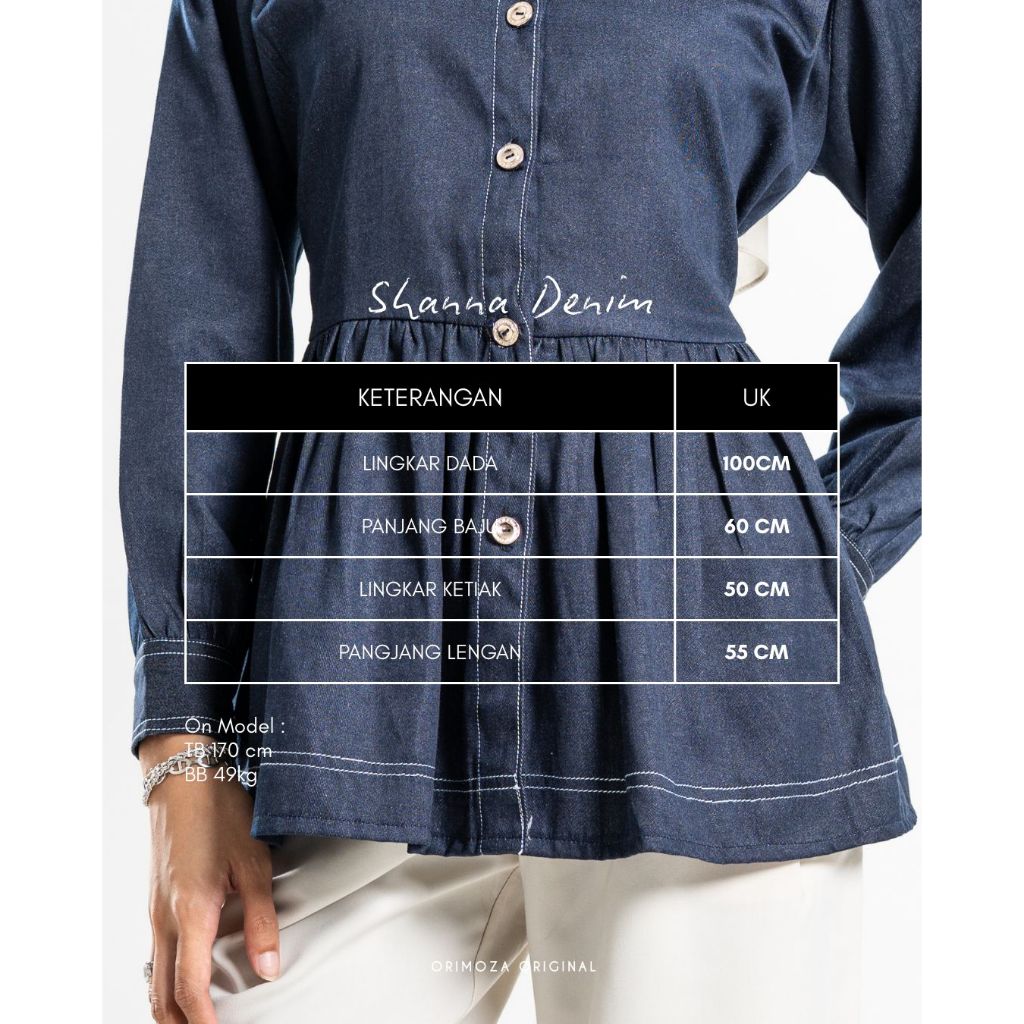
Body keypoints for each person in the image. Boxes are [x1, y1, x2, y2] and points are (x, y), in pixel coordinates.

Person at [122, 1, 921, 1021]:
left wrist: (821, 550)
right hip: (356, 703)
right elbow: (198, 315)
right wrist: (185, 744)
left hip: (703, 720)